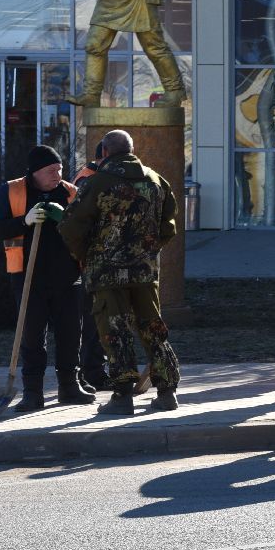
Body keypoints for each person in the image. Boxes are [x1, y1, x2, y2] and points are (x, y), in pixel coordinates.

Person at [58, 129, 181, 415]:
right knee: (152, 326)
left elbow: (72, 226)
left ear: (104, 153)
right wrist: (147, 251)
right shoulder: (155, 180)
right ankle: (167, 392)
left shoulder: (97, 182)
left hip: (107, 271)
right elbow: (169, 226)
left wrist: (87, 257)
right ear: (132, 150)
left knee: (115, 328)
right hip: (144, 271)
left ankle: (123, 395)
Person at [0, 145, 92, 410]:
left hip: (67, 277)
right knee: (32, 336)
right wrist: (24, 221)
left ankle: (69, 386)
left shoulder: (70, 193)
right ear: (35, 172)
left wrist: (64, 218)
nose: (57, 175)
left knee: (70, 334)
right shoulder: (11, 191)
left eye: (60, 169)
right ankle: (33, 393)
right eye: (51, 170)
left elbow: (88, 231)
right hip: (28, 277)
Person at [72, 140, 111, 391]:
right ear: (105, 156)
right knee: (92, 323)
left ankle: (95, 370)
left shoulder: (92, 177)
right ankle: (93, 373)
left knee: (98, 322)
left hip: (96, 263)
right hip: (89, 265)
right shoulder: (88, 181)